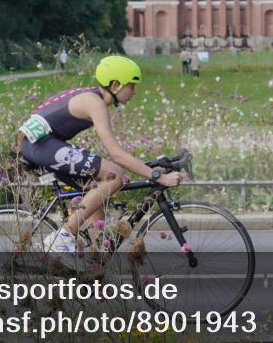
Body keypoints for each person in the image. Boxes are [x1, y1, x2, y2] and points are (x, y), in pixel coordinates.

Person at [17, 56, 185, 252]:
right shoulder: (94, 102)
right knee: (114, 175)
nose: (134, 92)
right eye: (131, 86)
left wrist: (148, 169)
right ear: (115, 85)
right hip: (38, 145)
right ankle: (62, 237)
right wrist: (159, 177)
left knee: (97, 188)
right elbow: (116, 154)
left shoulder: (90, 95)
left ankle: (96, 264)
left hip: (39, 143)